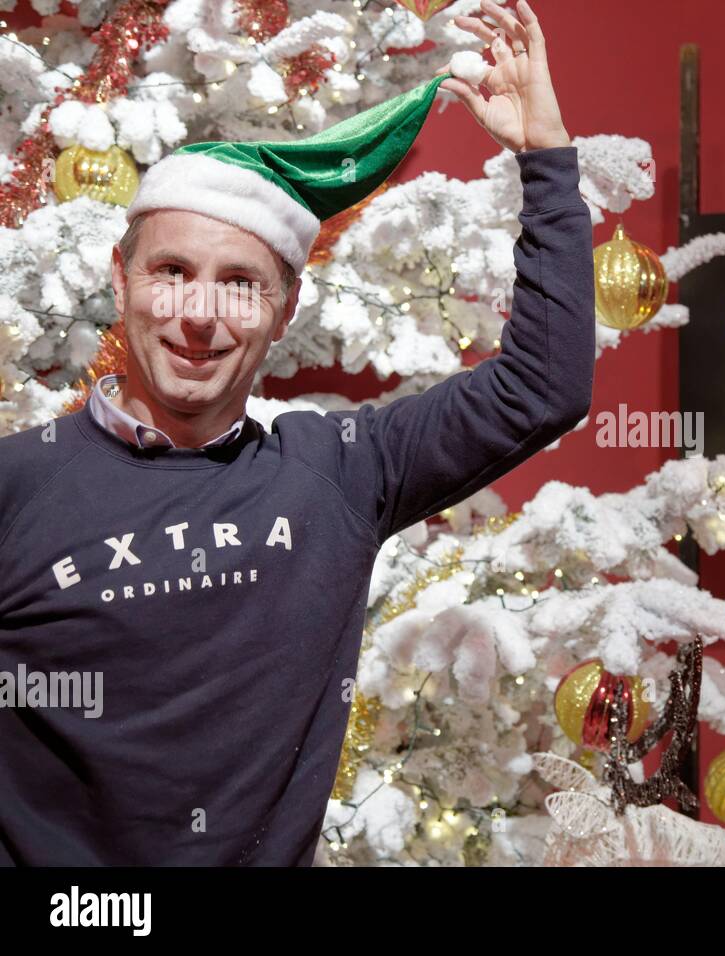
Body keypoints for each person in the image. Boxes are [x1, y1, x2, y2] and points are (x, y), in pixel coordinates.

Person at [0, 0, 594, 865]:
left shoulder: (340, 475)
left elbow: (543, 385)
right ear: (121, 280)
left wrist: (545, 160)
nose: (199, 315)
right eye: (171, 271)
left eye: (242, 285)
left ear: (284, 313)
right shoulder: (17, 485)